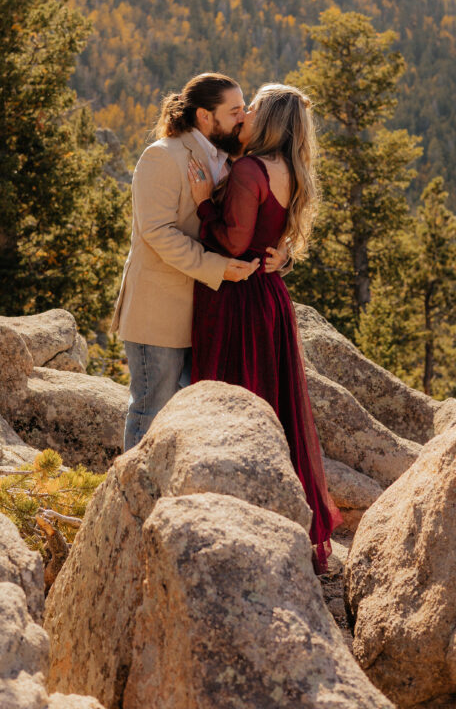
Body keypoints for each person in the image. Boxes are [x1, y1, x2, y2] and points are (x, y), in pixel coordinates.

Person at [187, 82, 343, 571]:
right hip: (270, 297)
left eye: (251, 107)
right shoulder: (290, 170)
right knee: (275, 409)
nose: (244, 114)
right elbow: (272, 235)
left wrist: (202, 204)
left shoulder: (251, 169)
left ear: (269, 118)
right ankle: (285, 519)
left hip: (237, 297)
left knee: (233, 403)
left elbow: (233, 243)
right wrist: (283, 256)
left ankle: (235, 516)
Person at [112, 72, 287, 452]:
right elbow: (157, 233)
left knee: (194, 417)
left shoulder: (230, 159)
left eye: (245, 109)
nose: (243, 117)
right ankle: (130, 504)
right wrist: (217, 268)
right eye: (235, 110)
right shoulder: (162, 156)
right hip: (158, 313)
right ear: (205, 116)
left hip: (205, 314)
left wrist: (281, 252)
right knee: (150, 410)